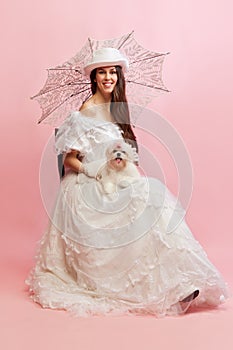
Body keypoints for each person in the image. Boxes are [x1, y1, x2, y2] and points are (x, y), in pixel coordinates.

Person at [26, 47, 228, 317]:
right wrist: (93, 170)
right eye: (102, 73)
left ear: (119, 77)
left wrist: (125, 168)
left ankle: (179, 281)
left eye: (112, 72)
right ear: (94, 78)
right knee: (141, 204)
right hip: (89, 185)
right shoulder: (85, 111)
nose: (108, 77)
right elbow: (69, 160)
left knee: (155, 197)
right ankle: (147, 288)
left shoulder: (117, 110)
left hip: (115, 178)